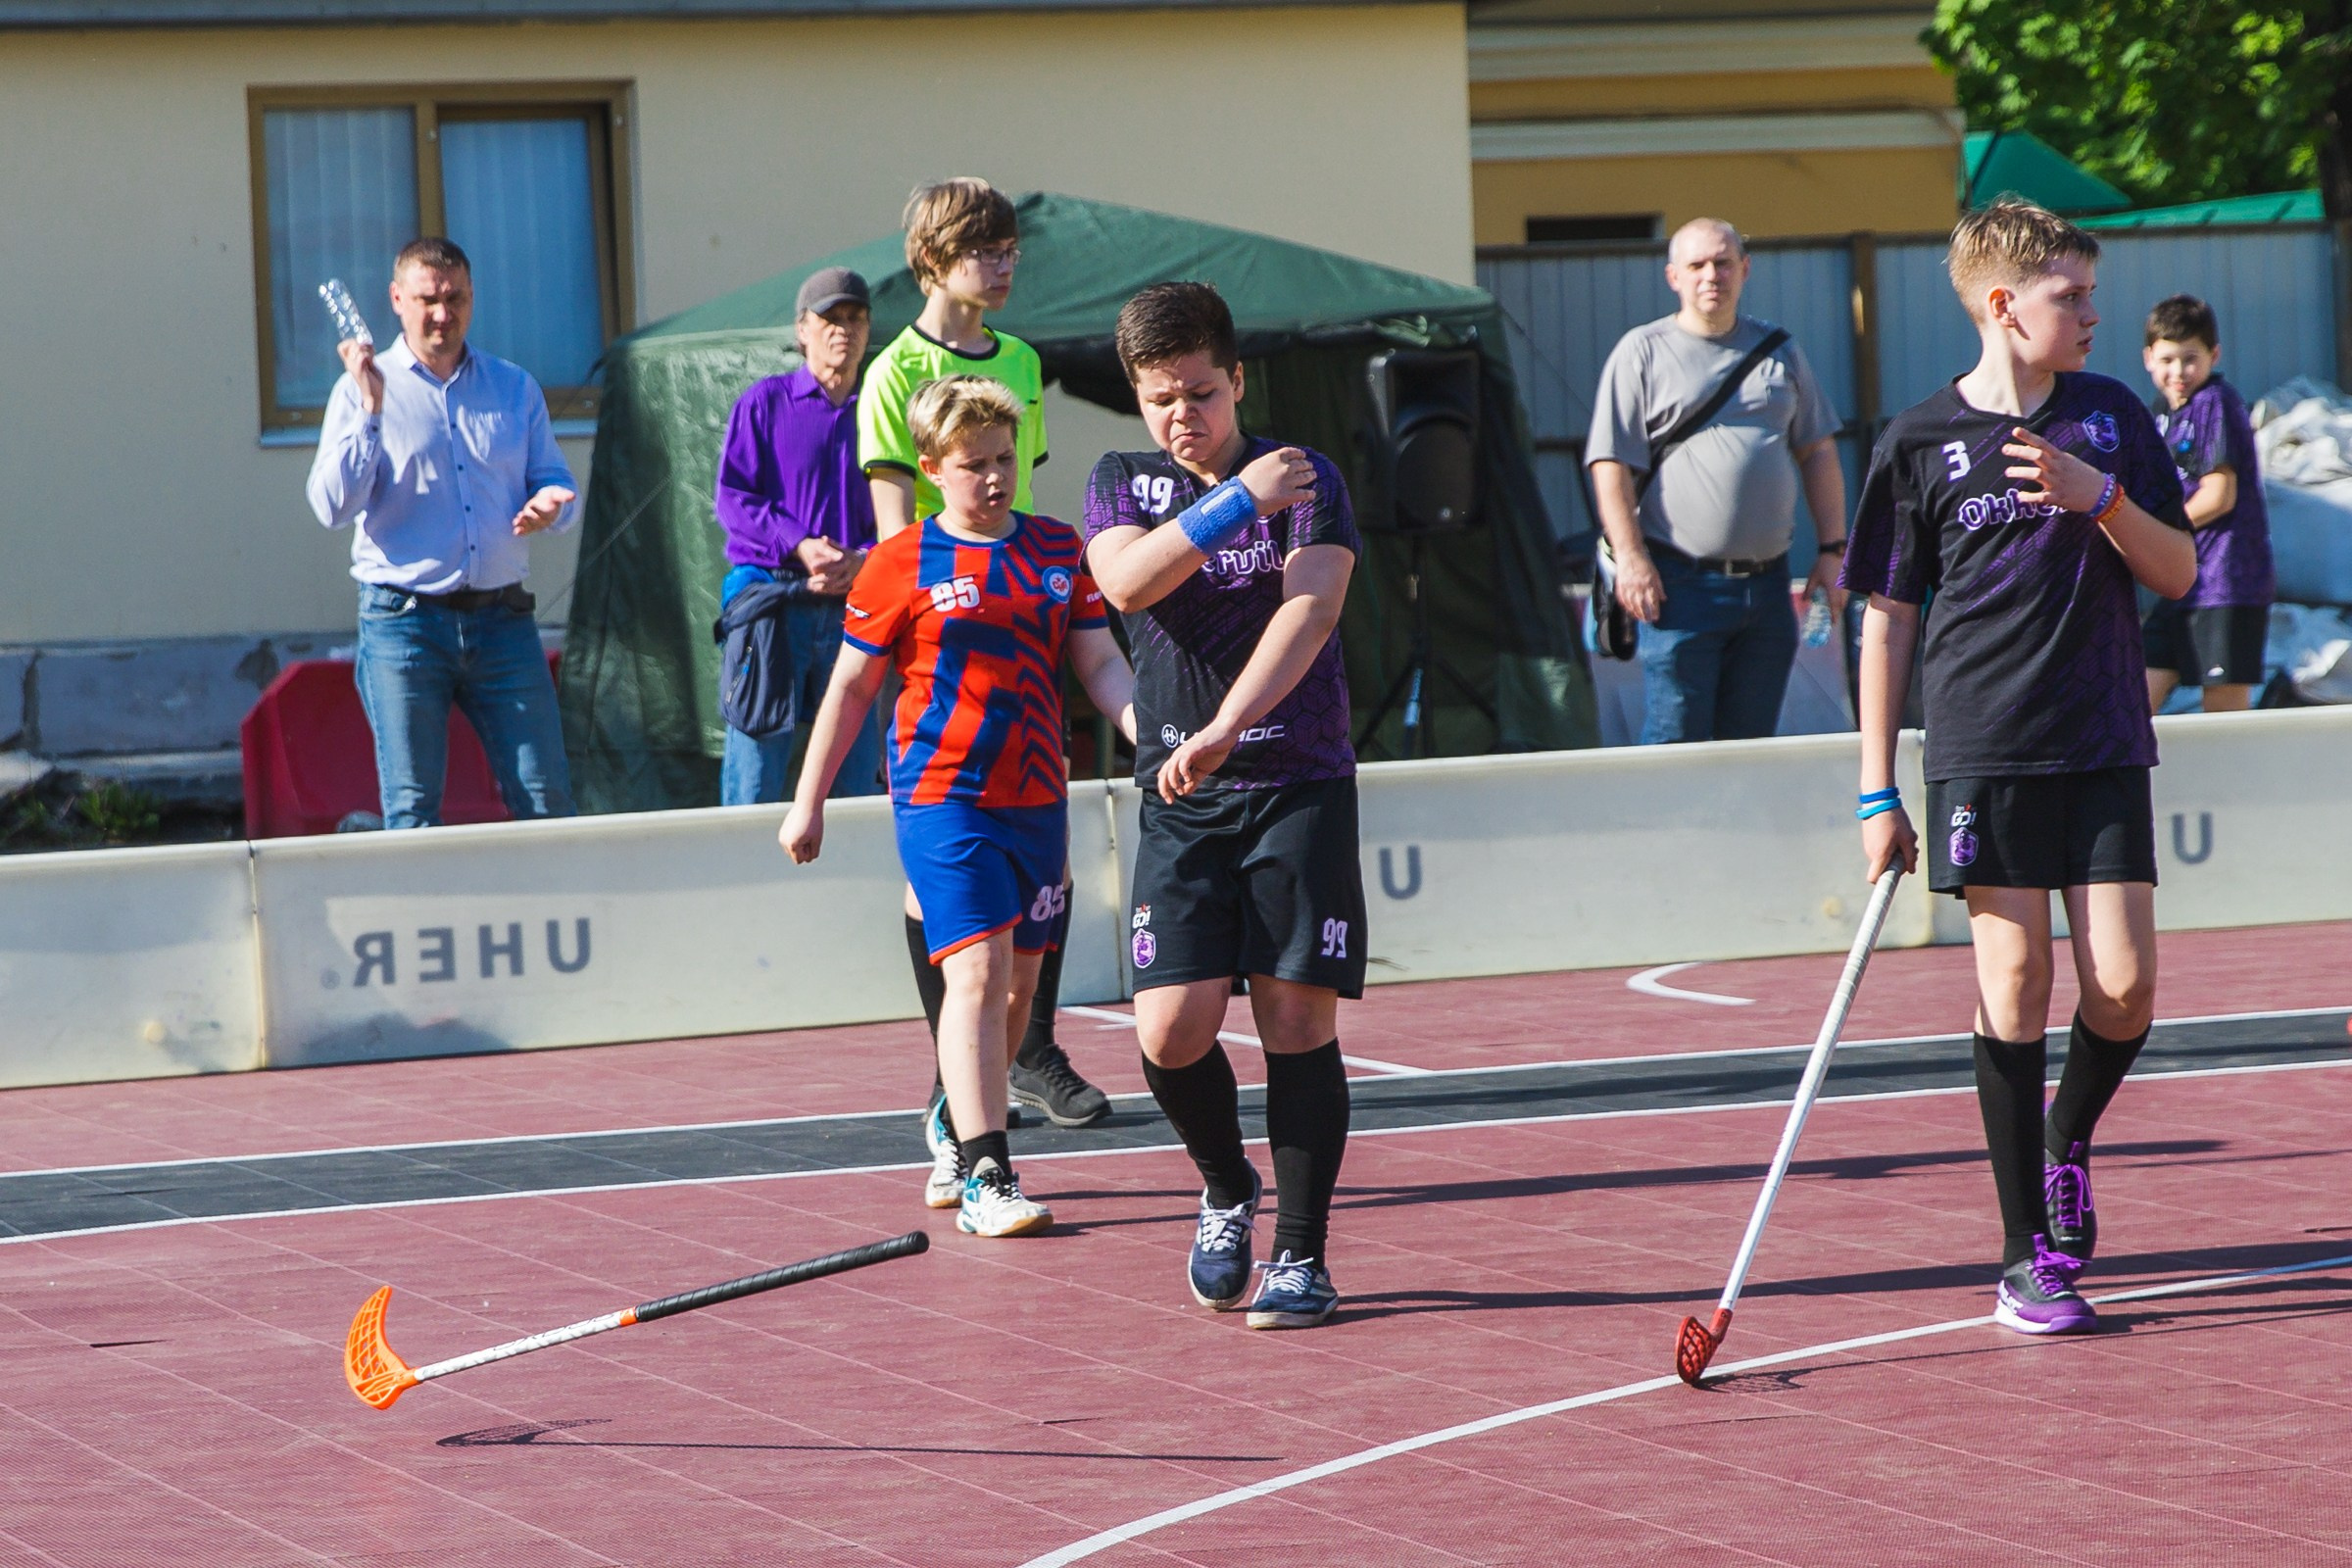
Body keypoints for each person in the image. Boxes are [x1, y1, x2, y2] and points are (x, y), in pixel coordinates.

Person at [1843, 199, 2196, 1337]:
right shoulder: (1917, 442)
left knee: (2126, 985)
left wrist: (2103, 501)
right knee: (2014, 986)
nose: (2092, 313)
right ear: (2005, 305)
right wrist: (1874, 785)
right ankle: (2022, 1255)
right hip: (1983, 748)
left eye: (2091, 293)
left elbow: (2182, 571)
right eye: (2071, 296)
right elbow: (1887, 621)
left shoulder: (2110, 418)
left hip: (2099, 737)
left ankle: (2066, 1138)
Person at [781, 376, 1136, 1237]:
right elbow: (853, 685)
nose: (993, 477)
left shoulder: (1058, 550)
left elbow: (1099, 666)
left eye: (1005, 459)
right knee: (974, 975)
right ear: (934, 468)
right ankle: (988, 1175)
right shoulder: (900, 562)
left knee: (1017, 991)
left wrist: (1154, 736)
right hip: (944, 797)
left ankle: (951, 1113)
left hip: (1038, 799)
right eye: (973, 464)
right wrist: (809, 801)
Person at [1083, 282, 1364, 1331]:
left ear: (1236, 379)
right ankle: (1224, 1186)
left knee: (1295, 1016)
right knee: (1170, 1028)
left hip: (1295, 781)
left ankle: (1300, 1253)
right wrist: (1235, 497)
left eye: (1201, 392)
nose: (1181, 416)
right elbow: (1127, 585)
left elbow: (1314, 606)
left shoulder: (1311, 476)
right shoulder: (1122, 481)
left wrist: (1225, 728)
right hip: (1181, 796)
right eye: (1160, 399)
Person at [857, 177, 1110, 1144]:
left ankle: (1010, 1058)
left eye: (1011, 248)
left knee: (1039, 901)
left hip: (1023, 682)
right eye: (985, 248)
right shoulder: (893, 372)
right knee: (954, 918)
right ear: (932, 254)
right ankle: (959, 1109)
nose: (1004, 263)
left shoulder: (1020, 361)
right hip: (940, 677)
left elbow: (1020, 522)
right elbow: (900, 543)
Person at [306, 237, 578, 829]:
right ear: (397, 300)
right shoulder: (361, 389)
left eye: (455, 298)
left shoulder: (513, 387)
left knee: (548, 799)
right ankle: (417, 920)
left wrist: (552, 505)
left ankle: (556, 915)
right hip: (404, 623)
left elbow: (555, 480)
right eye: (428, 299)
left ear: (472, 298)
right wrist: (372, 413)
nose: (442, 314)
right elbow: (330, 506)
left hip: (503, 622)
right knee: (413, 809)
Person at [1587, 218, 1849, 744]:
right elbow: (1609, 462)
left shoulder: (1781, 350)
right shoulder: (1642, 352)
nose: (1712, 275)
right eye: (1698, 265)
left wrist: (1832, 549)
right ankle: (1668, 832)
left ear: (1744, 270)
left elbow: (1818, 451)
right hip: (1679, 585)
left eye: (1724, 262)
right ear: (1673, 277)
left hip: (1770, 585)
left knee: (1750, 747)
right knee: (1676, 741)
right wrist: (1631, 557)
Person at [712, 267, 884, 804]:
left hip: (856, 604)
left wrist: (862, 559)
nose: (843, 329)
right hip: (773, 603)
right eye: (829, 318)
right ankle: (741, 880)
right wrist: (800, 543)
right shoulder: (764, 403)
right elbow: (733, 499)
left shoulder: (884, 410)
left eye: (855, 317)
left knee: (854, 773)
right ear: (802, 330)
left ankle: (852, 885)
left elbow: (916, 510)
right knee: (755, 772)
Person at [2140, 294, 2276, 714]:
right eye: (2167, 359)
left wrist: (2151, 536)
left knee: (2225, 719)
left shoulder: (2215, 403)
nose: (2178, 371)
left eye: (2190, 358)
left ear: (2214, 355)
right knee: (2132, 699)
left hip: (2224, 584)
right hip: (2181, 582)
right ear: (2148, 358)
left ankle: (2239, 784)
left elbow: (2218, 496)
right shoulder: (2161, 411)